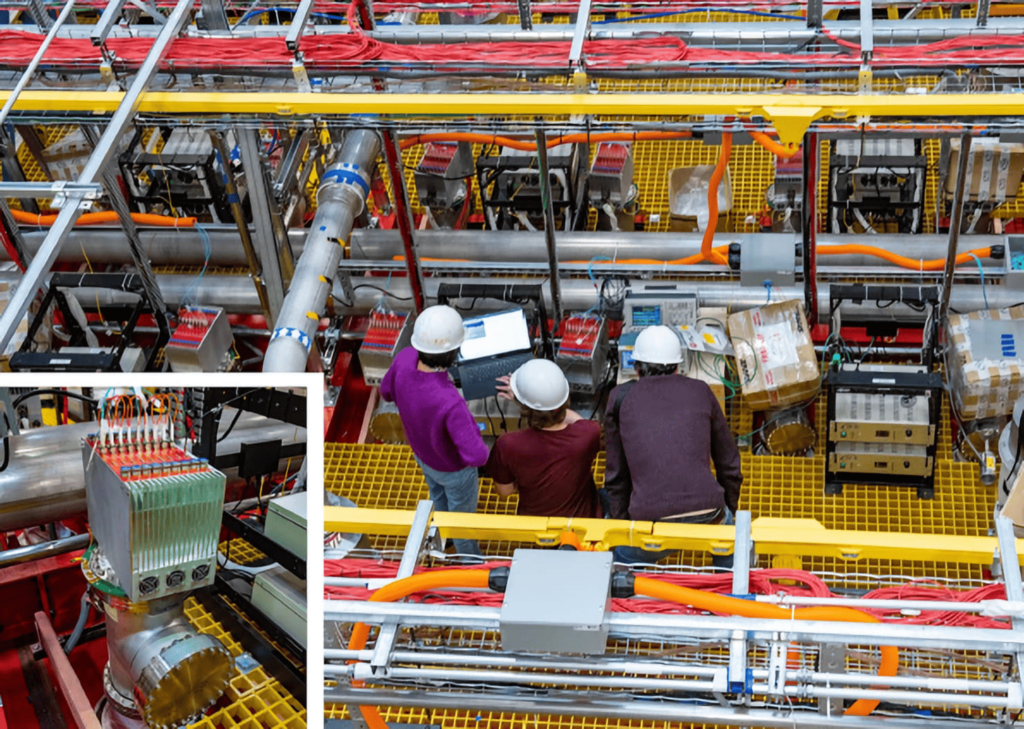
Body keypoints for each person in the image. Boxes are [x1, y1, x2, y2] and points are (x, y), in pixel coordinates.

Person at [605, 325, 743, 566]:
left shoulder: (619, 398)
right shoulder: (701, 390)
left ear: (636, 367)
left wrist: (624, 526)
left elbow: (616, 477)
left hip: (651, 523)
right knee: (731, 559)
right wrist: (726, 511)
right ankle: (726, 589)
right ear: (679, 366)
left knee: (621, 558)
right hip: (709, 513)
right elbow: (729, 464)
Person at [380, 304, 487, 558]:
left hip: (423, 457)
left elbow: (385, 391)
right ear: (454, 353)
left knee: (438, 497)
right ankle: (470, 562)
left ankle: (441, 541)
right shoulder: (450, 401)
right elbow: (477, 456)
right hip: (454, 472)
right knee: (462, 522)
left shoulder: (404, 358)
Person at [486, 359, 603, 519]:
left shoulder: (508, 444)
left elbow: (505, 492)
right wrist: (540, 404)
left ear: (526, 409)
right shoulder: (588, 434)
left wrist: (526, 402)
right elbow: (579, 421)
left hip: (536, 530)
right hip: (582, 525)